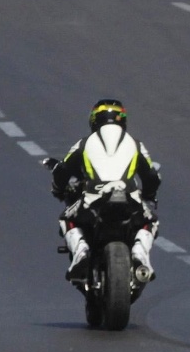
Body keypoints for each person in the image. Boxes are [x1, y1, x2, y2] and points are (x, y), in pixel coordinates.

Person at [50, 100, 161, 283]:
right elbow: (151, 176)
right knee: (150, 221)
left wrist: (58, 189)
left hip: (93, 198)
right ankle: (140, 254)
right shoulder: (135, 144)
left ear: (94, 120)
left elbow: (62, 170)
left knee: (66, 218)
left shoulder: (84, 143)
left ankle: (81, 252)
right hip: (129, 197)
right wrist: (149, 194)